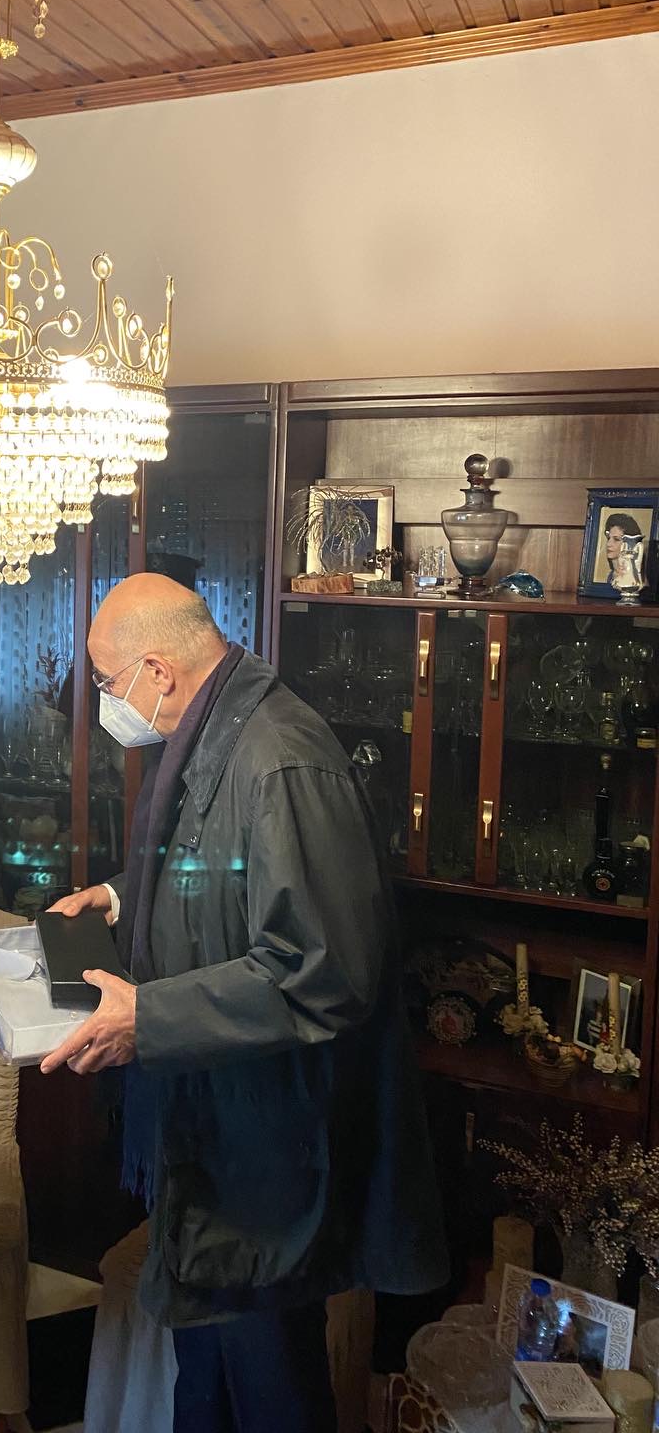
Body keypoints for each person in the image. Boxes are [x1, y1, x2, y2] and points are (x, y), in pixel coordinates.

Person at [42, 575, 447, 1433]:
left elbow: (323, 971)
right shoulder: (218, 726)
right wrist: (119, 898)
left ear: (158, 671)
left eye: (108, 683)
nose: (107, 702)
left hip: (268, 1153)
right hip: (216, 1122)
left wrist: (146, 1019)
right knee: (207, 1378)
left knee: (270, 1388)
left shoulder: (280, 759)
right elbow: (215, 870)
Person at [604, 511, 644, 589]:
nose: (608, 544)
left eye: (616, 539)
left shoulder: (635, 579)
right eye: (608, 538)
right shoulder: (611, 576)